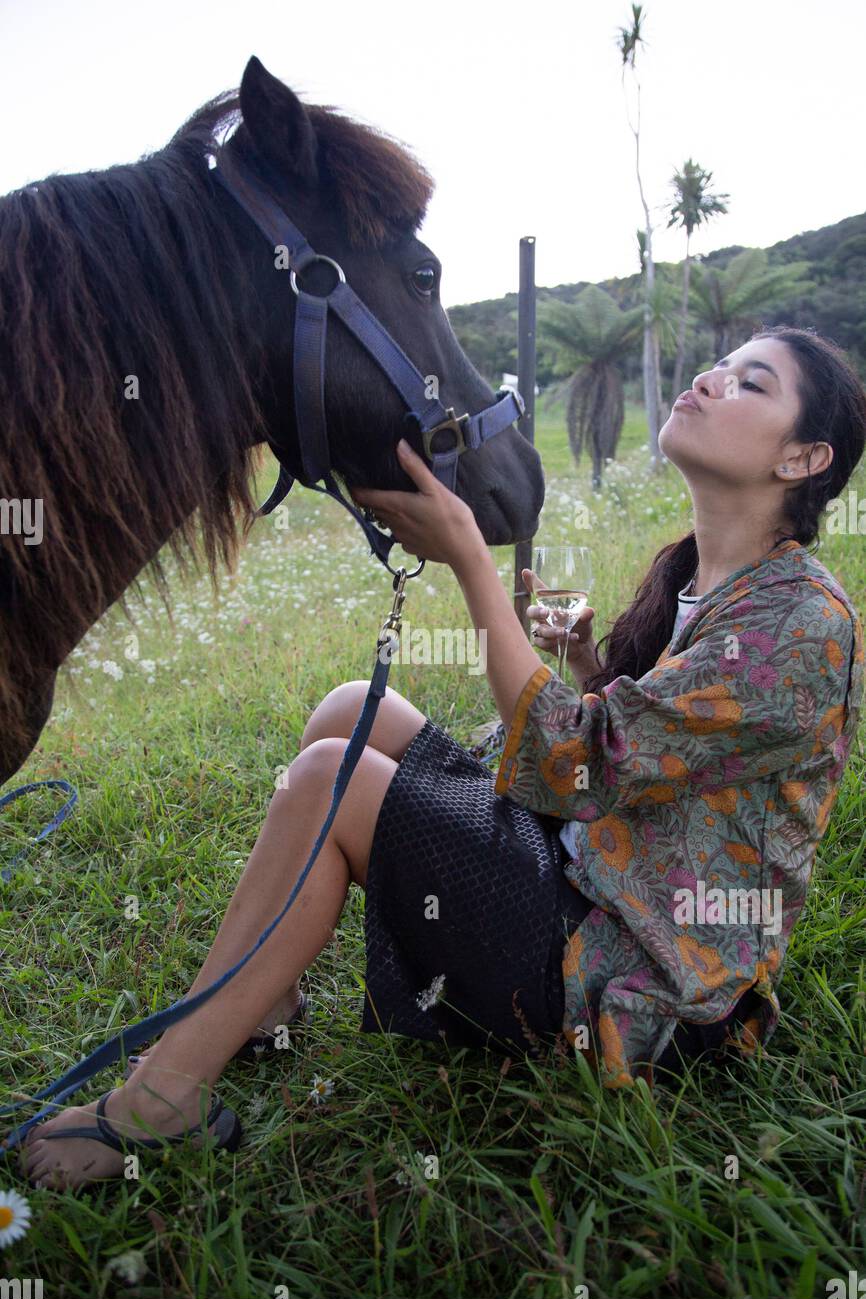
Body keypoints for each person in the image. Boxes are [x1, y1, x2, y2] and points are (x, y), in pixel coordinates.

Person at [18, 325, 866, 1191]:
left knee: (328, 785)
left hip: (645, 975)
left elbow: (581, 760)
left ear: (802, 458)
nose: (711, 380)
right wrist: (580, 664)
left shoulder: (802, 621)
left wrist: (471, 562)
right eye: (719, 366)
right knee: (356, 708)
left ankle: (162, 1103)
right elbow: (653, 742)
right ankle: (264, 995)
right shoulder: (702, 578)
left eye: (751, 383)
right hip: (590, 864)